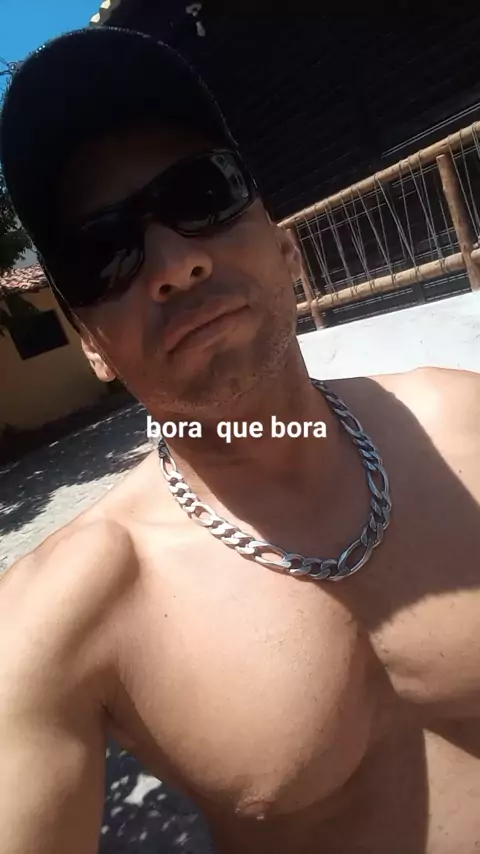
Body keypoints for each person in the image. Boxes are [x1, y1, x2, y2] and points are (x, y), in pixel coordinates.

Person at [1, 25, 480, 854]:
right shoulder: (62, 617)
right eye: (103, 252)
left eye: (201, 194)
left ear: (283, 243)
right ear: (89, 344)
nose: (173, 262)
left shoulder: (466, 423)